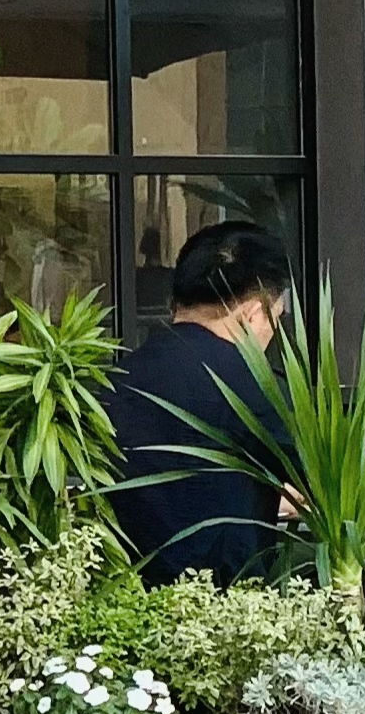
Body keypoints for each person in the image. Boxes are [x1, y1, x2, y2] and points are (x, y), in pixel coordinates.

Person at [111, 219, 293, 583]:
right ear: (253, 313)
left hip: (125, 597)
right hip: (223, 602)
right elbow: (325, 480)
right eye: (276, 319)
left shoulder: (118, 378)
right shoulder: (248, 384)